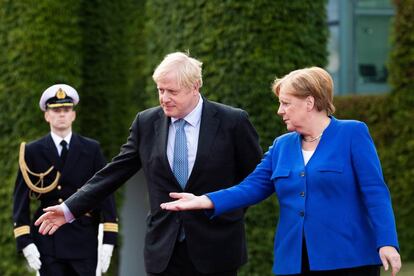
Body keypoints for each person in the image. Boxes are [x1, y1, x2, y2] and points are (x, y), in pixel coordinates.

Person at [158, 67, 402, 276]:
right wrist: (204, 200)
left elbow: (375, 192)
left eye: (286, 103)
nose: (280, 111)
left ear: (309, 102)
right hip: (293, 260)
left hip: (350, 257)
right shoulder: (281, 146)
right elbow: (250, 188)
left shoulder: (352, 133)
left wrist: (387, 242)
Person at [34, 52, 262, 276]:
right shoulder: (146, 122)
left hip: (217, 249)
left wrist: (223, 210)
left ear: (195, 87)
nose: (164, 98)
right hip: (163, 251)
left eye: (172, 91)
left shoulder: (233, 122)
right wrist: (69, 209)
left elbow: (255, 179)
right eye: (160, 90)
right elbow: (114, 172)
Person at [13, 84, 118, 276]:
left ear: (73, 115)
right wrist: (25, 241)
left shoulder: (91, 149)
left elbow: (105, 193)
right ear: (47, 115)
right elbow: (20, 200)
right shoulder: (32, 151)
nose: (62, 114)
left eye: (66, 109)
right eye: (56, 110)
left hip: (83, 238)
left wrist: (109, 240)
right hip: (47, 237)